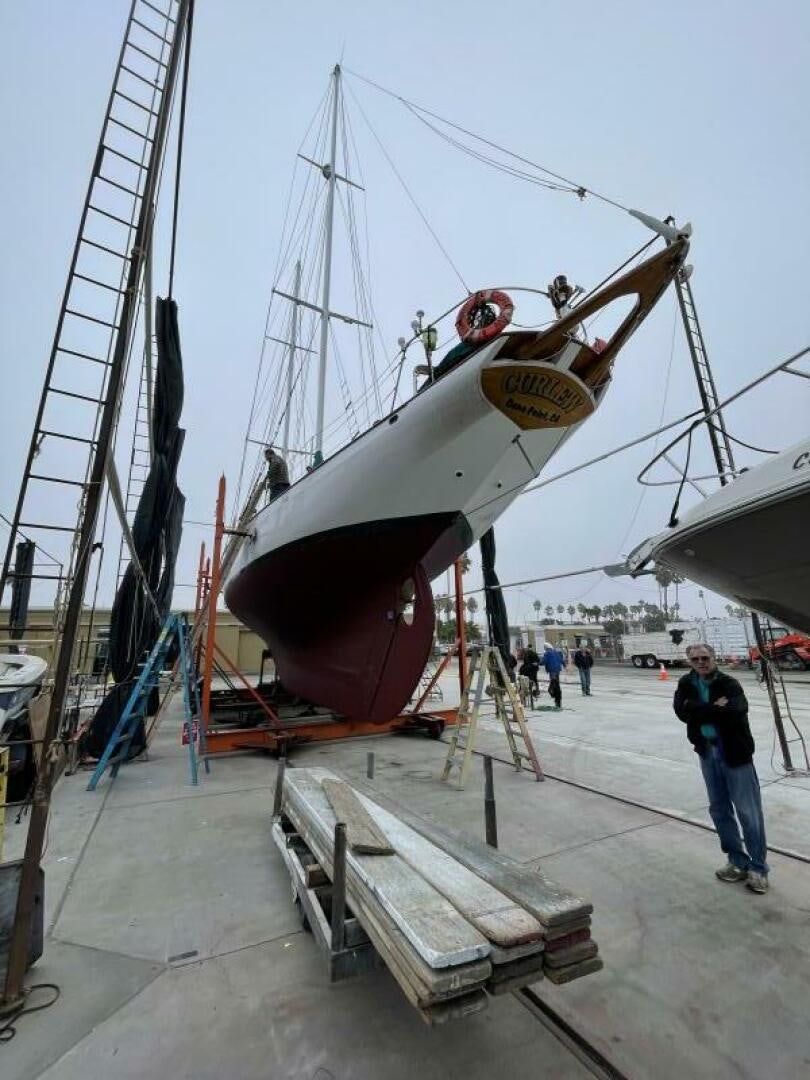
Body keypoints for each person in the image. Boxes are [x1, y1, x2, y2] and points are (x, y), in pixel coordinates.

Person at [673, 643, 768, 894]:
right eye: (695, 659)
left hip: (735, 754)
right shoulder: (686, 683)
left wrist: (695, 708)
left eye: (705, 658)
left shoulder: (729, 683)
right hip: (707, 752)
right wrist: (714, 708)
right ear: (689, 661)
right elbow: (681, 712)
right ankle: (737, 861)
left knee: (748, 812)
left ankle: (758, 868)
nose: (701, 662)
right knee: (719, 809)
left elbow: (736, 710)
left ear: (714, 658)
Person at [540, 642, 564, 709]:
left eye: (544, 648)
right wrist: (564, 665)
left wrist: (538, 663)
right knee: (556, 683)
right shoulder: (555, 652)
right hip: (557, 669)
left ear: (546, 647)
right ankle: (557, 700)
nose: (544, 649)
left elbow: (544, 661)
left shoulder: (547, 653)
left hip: (552, 669)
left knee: (553, 684)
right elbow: (560, 659)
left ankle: (554, 696)